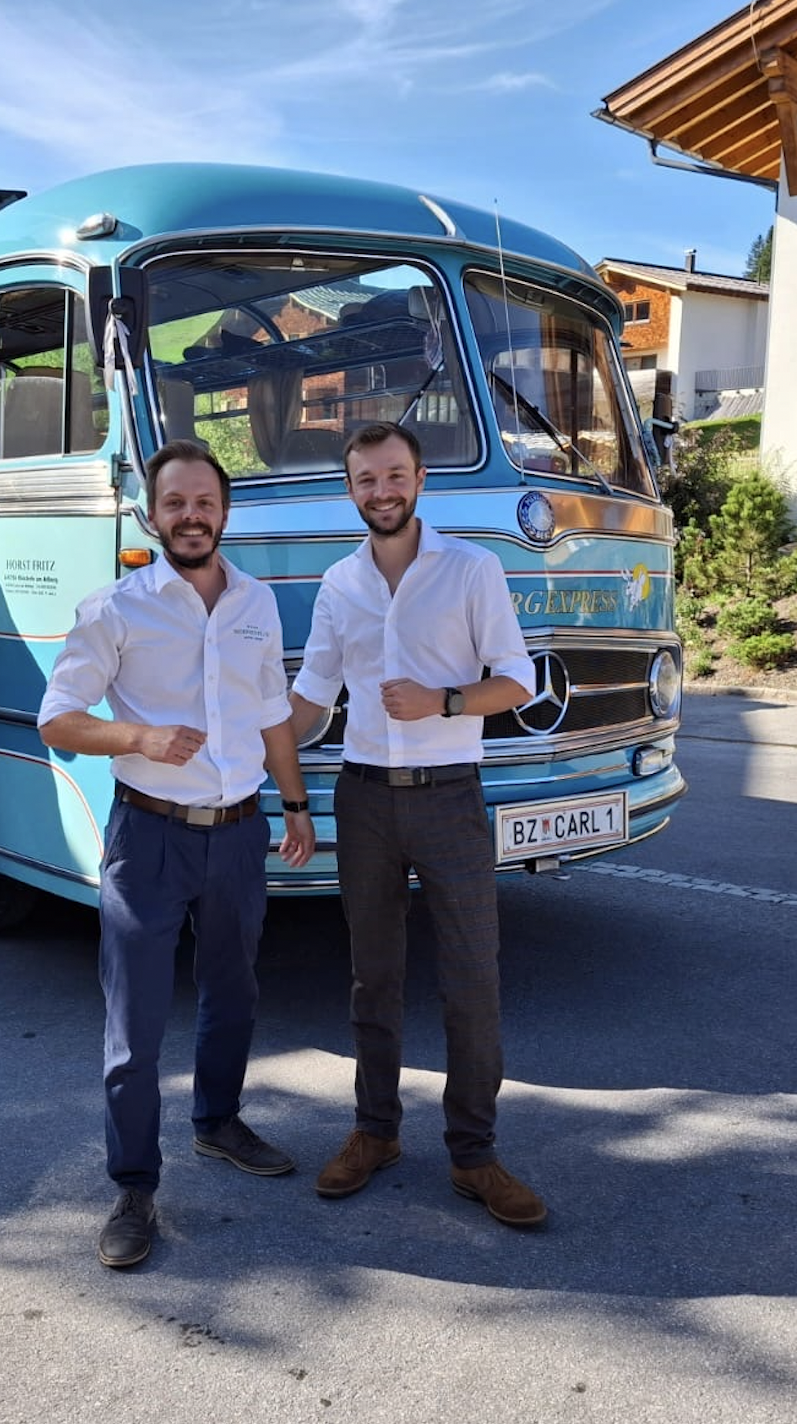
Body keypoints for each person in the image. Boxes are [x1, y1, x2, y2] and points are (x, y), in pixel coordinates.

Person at [39, 439, 316, 1269]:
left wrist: (295, 804)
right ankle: (134, 1187)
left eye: (204, 502)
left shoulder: (256, 602)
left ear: (223, 512)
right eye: (175, 503)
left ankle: (218, 1122)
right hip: (149, 838)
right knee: (136, 1024)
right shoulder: (116, 608)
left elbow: (272, 713)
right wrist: (139, 736)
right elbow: (57, 719)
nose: (191, 516)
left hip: (239, 832)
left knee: (234, 991)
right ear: (152, 515)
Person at [288, 421, 547, 1227]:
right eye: (366, 479)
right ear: (351, 490)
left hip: (449, 797)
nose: (382, 491)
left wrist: (443, 700)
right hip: (364, 798)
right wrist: (238, 743)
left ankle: (474, 1155)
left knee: (472, 979)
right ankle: (375, 1133)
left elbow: (519, 680)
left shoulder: (471, 568)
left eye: (394, 475)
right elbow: (311, 699)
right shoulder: (340, 583)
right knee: (374, 978)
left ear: (420, 479)